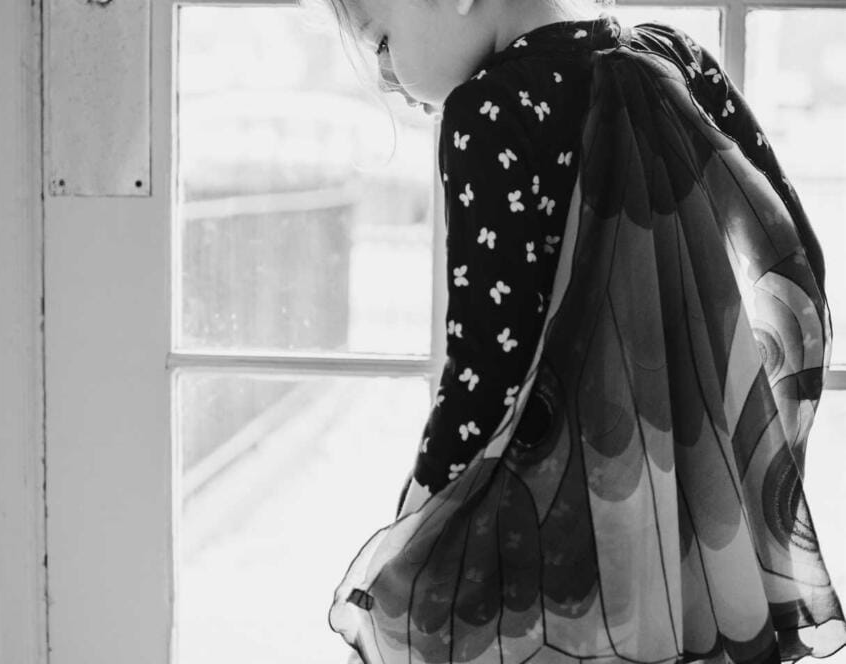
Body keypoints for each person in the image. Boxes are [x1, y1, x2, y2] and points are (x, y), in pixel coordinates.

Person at [321, 0, 846, 662]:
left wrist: (419, 517)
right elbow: (791, 255)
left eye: (382, 42)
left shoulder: (486, 114)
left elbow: (485, 375)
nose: (389, 76)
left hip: (554, 529)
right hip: (698, 530)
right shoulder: (676, 58)